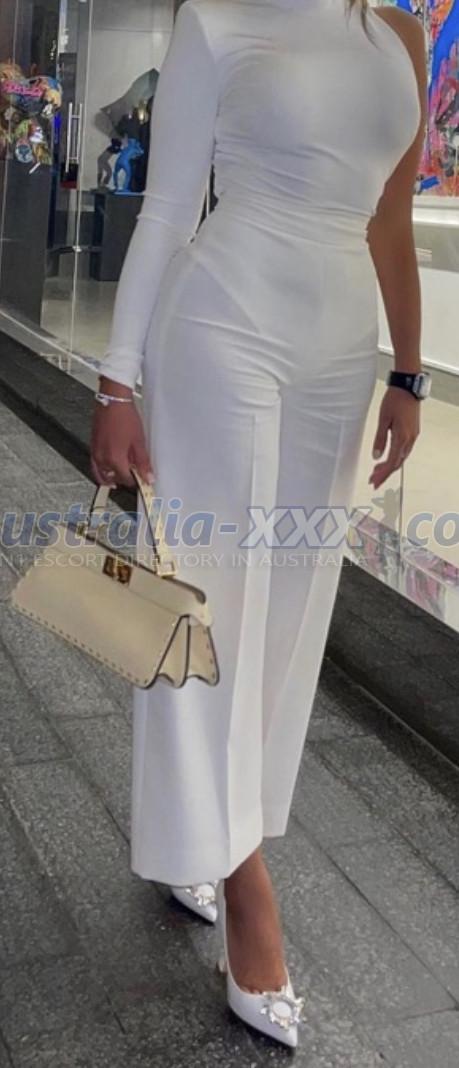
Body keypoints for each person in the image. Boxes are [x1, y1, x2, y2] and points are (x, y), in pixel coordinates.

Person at [90, 0, 427, 1047]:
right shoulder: (219, 18)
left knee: (285, 622)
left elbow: (389, 221)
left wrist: (408, 372)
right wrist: (115, 382)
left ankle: (213, 827)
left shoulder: (401, 36)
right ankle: (246, 887)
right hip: (221, 326)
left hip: (340, 353)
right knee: (205, 607)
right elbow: (166, 209)